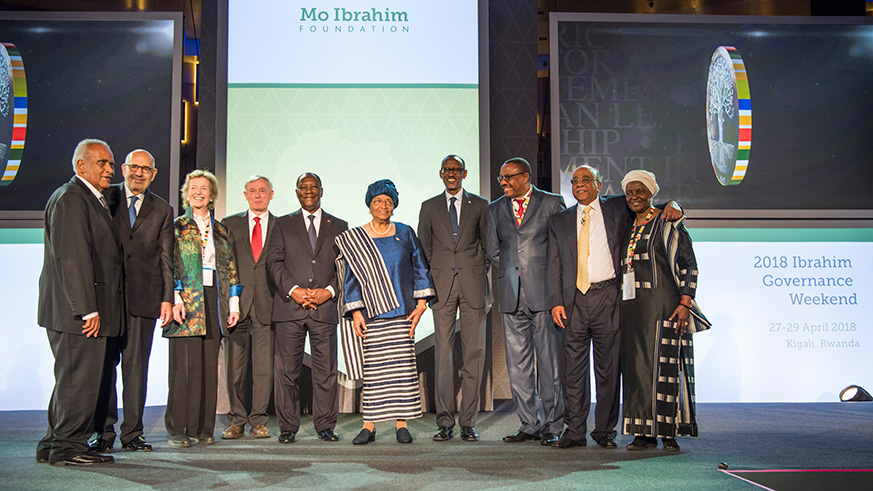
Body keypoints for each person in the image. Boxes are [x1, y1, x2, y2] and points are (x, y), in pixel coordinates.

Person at [547, 165, 682, 449]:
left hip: (609, 296)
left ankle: (604, 431)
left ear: (599, 184)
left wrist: (673, 204)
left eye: (586, 180)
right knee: (573, 372)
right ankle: (574, 430)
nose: (580, 184)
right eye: (575, 181)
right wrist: (555, 301)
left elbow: (647, 201)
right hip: (573, 302)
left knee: (608, 369)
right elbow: (554, 264)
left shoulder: (618, 207)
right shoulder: (559, 220)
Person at [36, 139, 123, 466]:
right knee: (78, 382)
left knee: (71, 380)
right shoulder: (72, 199)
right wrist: (87, 308)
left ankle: (53, 443)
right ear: (80, 166)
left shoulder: (88, 199)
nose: (109, 169)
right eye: (101, 162)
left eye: (111, 164)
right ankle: (68, 448)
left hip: (73, 311)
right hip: (78, 314)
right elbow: (71, 258)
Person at [336, 179, 435, 445]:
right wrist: (356, 312)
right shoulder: (357, 238)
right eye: (378, 201)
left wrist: (422, 304)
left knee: (402, 370)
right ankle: (369, 425)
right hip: (372, 315)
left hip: (402, 313)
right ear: (369, 205)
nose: (383, 206)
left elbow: (420, 268)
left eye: (388, 202)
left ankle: (401, 424)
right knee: (375, 373)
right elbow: (351, 279)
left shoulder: (405, 232)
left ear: (394, 206)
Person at [618, 170, 710, 452]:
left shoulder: (668, 223)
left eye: (640, 192)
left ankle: (669, 433)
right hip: (633, 309)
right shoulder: (627, 225)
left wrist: (685, 302)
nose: (634, 197)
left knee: (667, 367)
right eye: (630, 193)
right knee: (637, 370)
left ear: (651, 194)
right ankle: (644, 434)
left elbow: (689, 265)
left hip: (666, 306)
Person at [90, 149, 174, 454]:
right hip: (107, 299)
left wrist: (167, 298)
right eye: (134, 167)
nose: (139, 173)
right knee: (104, 366)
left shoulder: (163, 209)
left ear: (154, 174)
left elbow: (167, 257)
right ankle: (104, 431)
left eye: (145, 169)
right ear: (124, 168)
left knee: (136, 370)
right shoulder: (103, 197)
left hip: (145, 300)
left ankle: (133, 433)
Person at [487, 157, 565, 446]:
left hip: (544, 295)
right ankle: (528, 424)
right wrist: (512, 274)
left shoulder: (552, 203)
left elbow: (561, 248)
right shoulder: (495, 209)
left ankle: (553, 424)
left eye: (509, 177)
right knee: (518, 365)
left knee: (550, 364)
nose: (504, 182)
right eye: (501, 178)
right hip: (511, 295)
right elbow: (493, 250)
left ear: (526, 176)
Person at [266, 172, 348, 444]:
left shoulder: (339, 225)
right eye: (304, 187)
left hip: (324, 308)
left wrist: (328, 291)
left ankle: (325, 426)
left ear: (321, 190)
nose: (309, 191)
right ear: (297, 192)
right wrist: (295, 291)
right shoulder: (282, 224)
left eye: (313, 187)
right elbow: (274, 262)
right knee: (287, 372)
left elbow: (345, 266)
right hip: (290, 307)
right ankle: (288, 427)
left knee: (325, 372)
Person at [166, 170, 242, 448]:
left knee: (209, 368)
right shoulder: (175, 227)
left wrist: (233, 305)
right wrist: (175, 298)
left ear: (212, 196)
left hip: (214, 300)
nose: (199, 192)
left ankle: (203, 428)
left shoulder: (222, 231)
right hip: (186, 301)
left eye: (204, 188)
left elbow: (231, 269)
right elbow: (168, 266)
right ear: (187, 193)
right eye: (194, 187)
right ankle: (177, 428)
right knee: (184, 369)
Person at [417, 155, 489, 442]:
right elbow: (423, 249)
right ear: (440, 174)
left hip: (473, 287)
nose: (451, 174)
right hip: (442, 287)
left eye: (456, 170)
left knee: (474, 355)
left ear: (464, 173)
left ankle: (468, 422)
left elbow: (487, 244)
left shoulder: (480, 205)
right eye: (447, 170)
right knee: (443, 356)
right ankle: (445, 422)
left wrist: (474, 270)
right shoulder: (429, 206)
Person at [220, 175, 276, 440]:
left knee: (263, 368)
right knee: (235, 368)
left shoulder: (281, 225)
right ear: (245, 195)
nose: (257, 195)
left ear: (271, 195)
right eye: (252, 191)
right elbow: (223, 266)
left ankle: (258, 420)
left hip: (268, 305)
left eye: (262, 191)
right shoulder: (229, 224)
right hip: (237, 306)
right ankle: (237, 420)